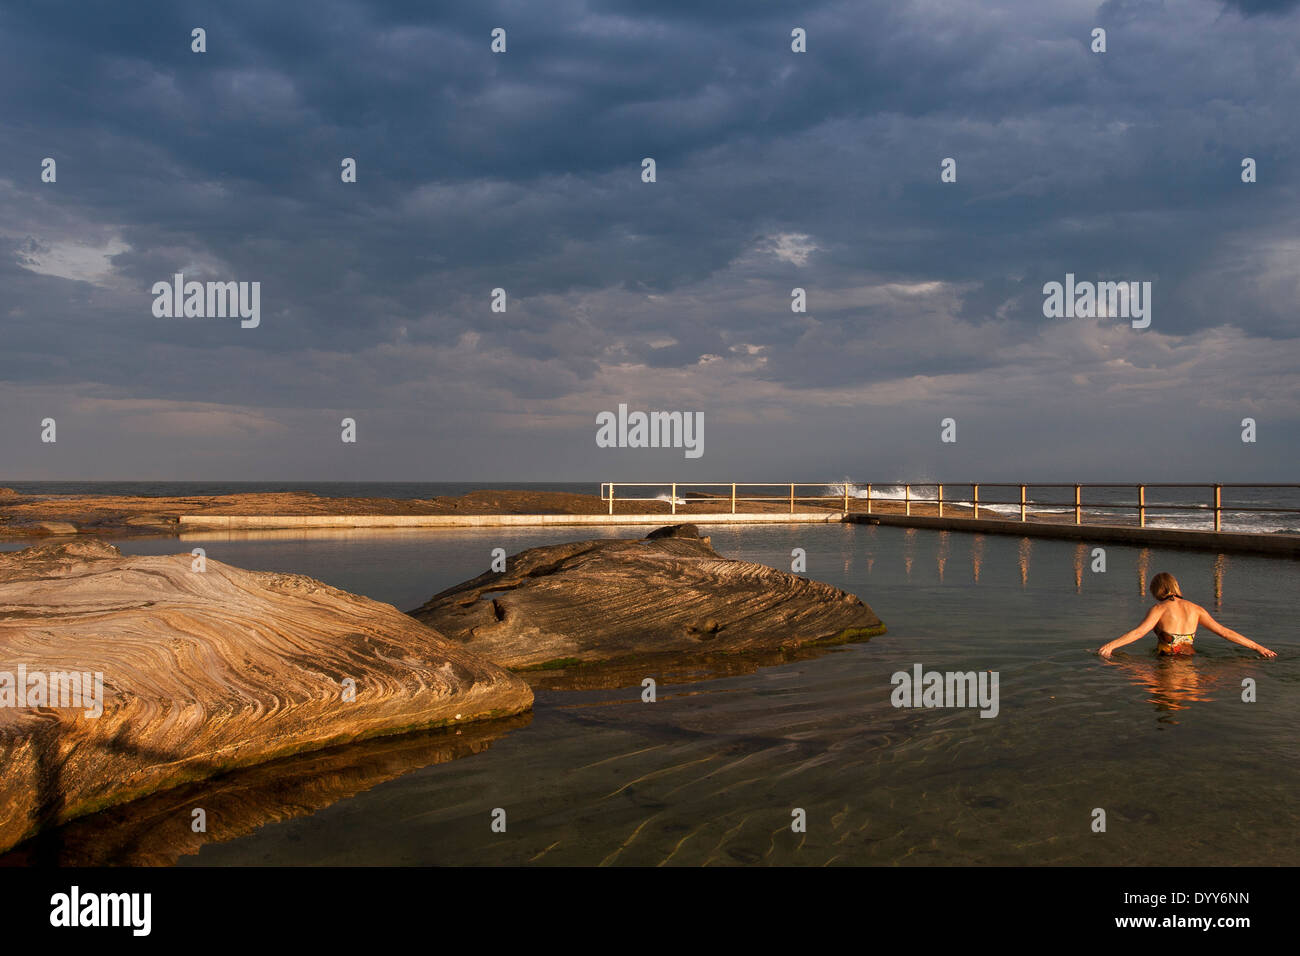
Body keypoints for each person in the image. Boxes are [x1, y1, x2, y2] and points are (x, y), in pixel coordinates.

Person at [1098, 572, 1276, 659]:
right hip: (1189, 659)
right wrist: (1258, 647)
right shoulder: (1196, 609)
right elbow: (1224, 632)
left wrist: (1110, 646)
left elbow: (1139, 633)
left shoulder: (1159, 609)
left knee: (1136, 673)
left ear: (1156, 590)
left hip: (1167, 662)